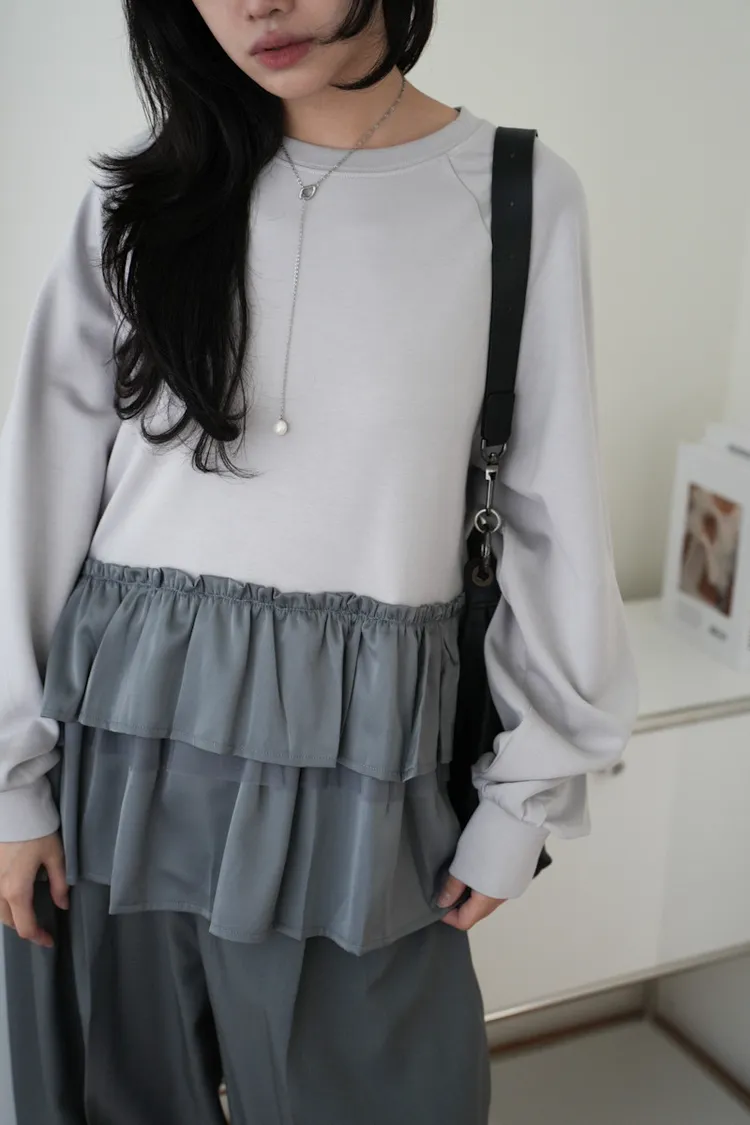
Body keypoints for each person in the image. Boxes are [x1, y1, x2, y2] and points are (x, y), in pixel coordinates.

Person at [0, 2, 640, 1122]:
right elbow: (38, 496)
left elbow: (551, 516)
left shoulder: (517, 195)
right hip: (118, 746)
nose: (255, 6)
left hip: (365, 770)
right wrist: (13, 784)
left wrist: (525, 801)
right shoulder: (141, 195)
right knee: (114, 1093)